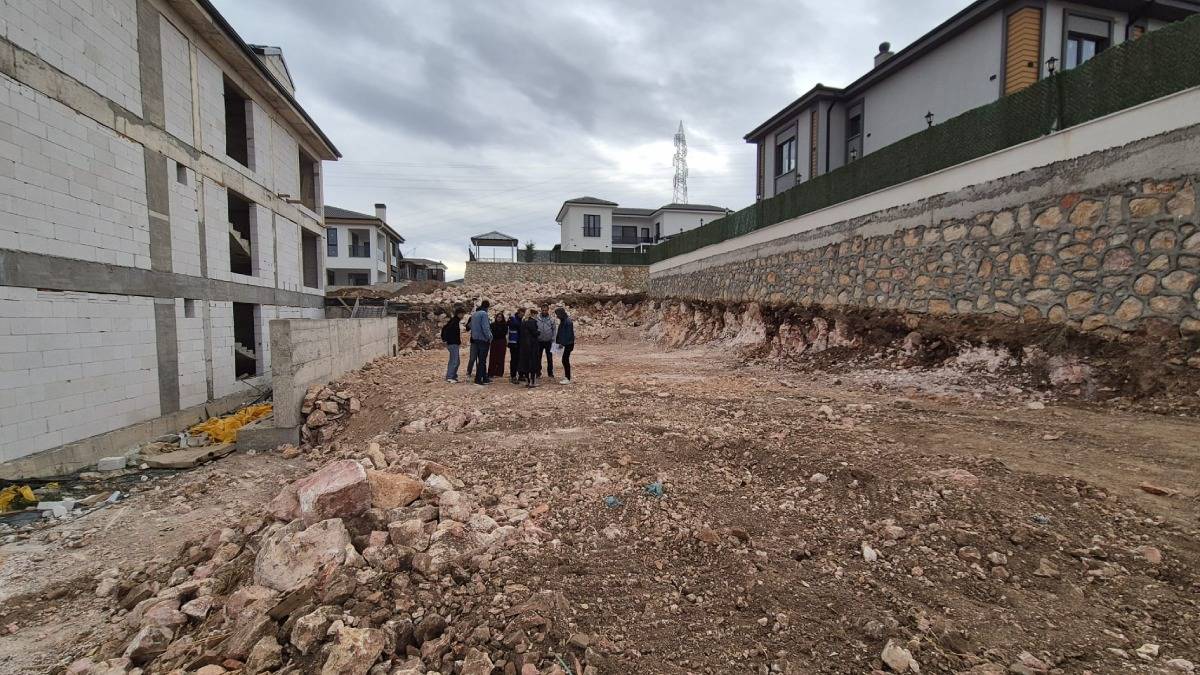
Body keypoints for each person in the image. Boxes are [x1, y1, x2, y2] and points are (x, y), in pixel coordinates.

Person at [467, 300, 493, 385]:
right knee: (482, 360)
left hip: (475, 339)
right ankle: (478, 379)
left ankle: (484, 377)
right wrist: (489, 337)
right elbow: (485, 328)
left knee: (480, 359)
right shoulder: (484, 314)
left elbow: (470, 326)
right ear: (487, 307)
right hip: (483, 340)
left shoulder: (474, 314)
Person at [518, 307, 541, 388]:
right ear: (533, 314)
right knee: (533, 363)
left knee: (526, 363)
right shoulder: (533, 322)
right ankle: (532, 382)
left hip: (524, 346)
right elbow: (535, 333)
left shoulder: (523, 321)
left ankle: (527, 381)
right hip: (532, 345)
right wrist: (539, 332)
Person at [440, 306, 464, 383]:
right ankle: (450, 377)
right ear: (459, 314)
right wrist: (447, 340)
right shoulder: (454, 322)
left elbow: (444, 328)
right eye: (462, 314)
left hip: (453, 343)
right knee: (454, 361)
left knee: (455, 360)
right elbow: (448, 331)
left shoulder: (454, 321)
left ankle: (453, 376)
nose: (463, 316)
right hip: (453, 343)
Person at [535, 304, 556, 379]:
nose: (544, 311)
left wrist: (553, 340)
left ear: (548, 310)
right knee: (538, 357)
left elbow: (554, 330)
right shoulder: (537, 318)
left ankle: (550, 373)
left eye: (545, 310)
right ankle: (538, 373)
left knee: (549, 358)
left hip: (548, 341)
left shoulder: (551, 319)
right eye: (543, 310)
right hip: (539, 341)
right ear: (541, 310)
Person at [554, 306, 575, 384]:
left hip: (568, 344)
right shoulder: (563, 321)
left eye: (558, 314)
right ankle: (566, 376)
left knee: (565, 360)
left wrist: (561, 344)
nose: (557, 316)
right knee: (565, 360)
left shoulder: (568, 322)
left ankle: (568, 378)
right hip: (565, 344)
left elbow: (568, 336)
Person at [488, 311, 507, 379]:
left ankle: (499, 372)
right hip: (494, 341)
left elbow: (504, 333)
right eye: (498, 317)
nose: (499, 318)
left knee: (501, 357)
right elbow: (491, 333)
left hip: (501, 341)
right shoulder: (492, 324)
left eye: (500, 317)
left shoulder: (504, 325)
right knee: (493, 357)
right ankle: (491, 372)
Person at [507, 308, 524, 384]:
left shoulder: (521, 319)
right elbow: (515, 326)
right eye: (522, 313)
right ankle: (513, 376)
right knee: (514, 360)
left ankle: (520, 375)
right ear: (519, 312)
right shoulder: (512, 319)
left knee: (521, 359)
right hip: (513, 343)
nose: (522, 314)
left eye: (523, 313)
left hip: (520, 343)